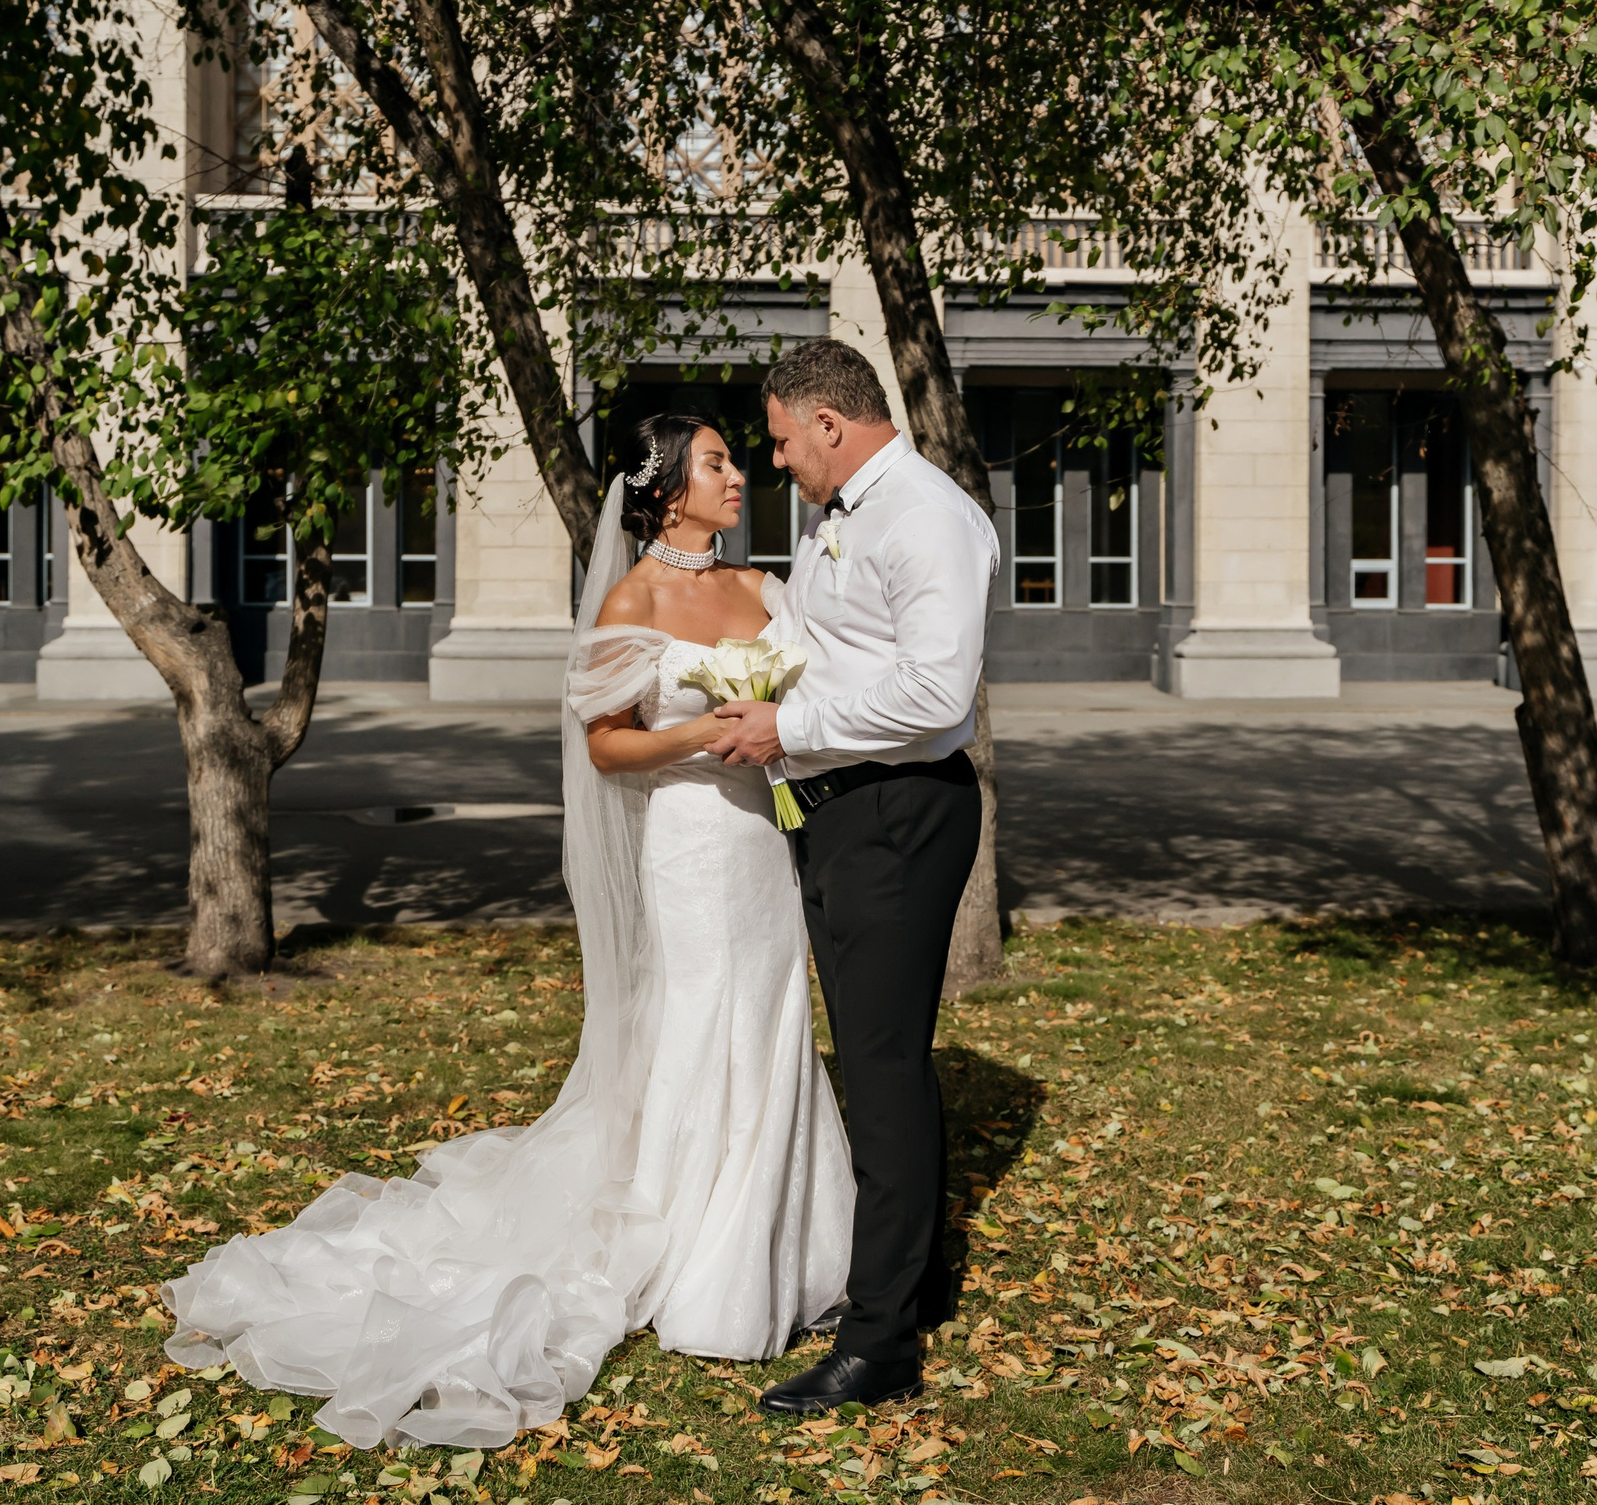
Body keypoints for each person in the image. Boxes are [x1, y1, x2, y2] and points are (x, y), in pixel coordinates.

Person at [155, 412, 851, 1449]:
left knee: (774, 1013)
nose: (738, 475)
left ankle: (793, 1247)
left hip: (761, 844)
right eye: (717, 462)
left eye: (735, 459)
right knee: (704, 1022)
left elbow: (819, 690)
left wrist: (781, 728)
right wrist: (699, 732)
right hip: (693, 845)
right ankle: (703, 1259)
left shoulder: (763, 589)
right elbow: (610, 748)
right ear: (668, 488)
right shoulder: (634, 599)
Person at [705, 338, 998, 1413]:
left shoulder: (924, 514)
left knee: (879, 1073)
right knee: (876, 1066)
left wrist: (791, 723)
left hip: (899, 814)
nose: (777, 463)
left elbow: (933, 693)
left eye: (781, 441)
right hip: (838, 812)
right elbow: (842, 648)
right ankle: (902, 1281)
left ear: (828, 422)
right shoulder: (842, 514)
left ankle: (881, 1347)